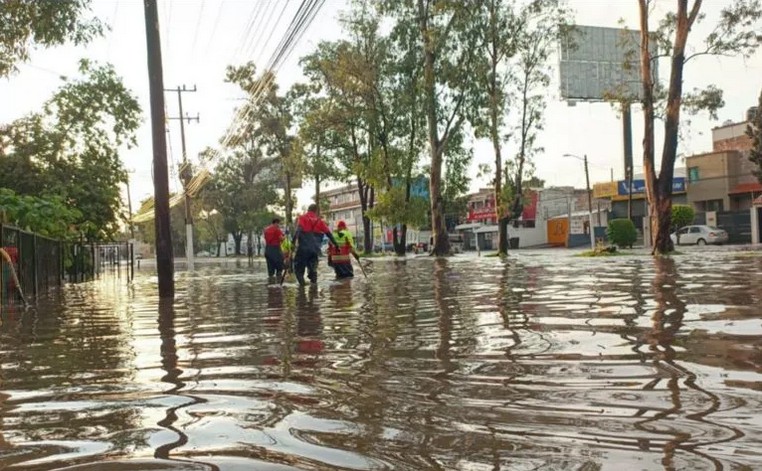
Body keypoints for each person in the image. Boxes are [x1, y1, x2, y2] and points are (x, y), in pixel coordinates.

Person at [291, 204, 337, 286]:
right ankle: (314, 289)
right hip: (315, 249)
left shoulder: (303, 218)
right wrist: (336, 245)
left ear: (308, 209)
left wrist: (293, 243)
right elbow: (329, 234)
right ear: (316, 211)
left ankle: (302, 290)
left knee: (298, 269)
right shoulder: (320, 221)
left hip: (303, 248)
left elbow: (298, 230)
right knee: (313, 268)